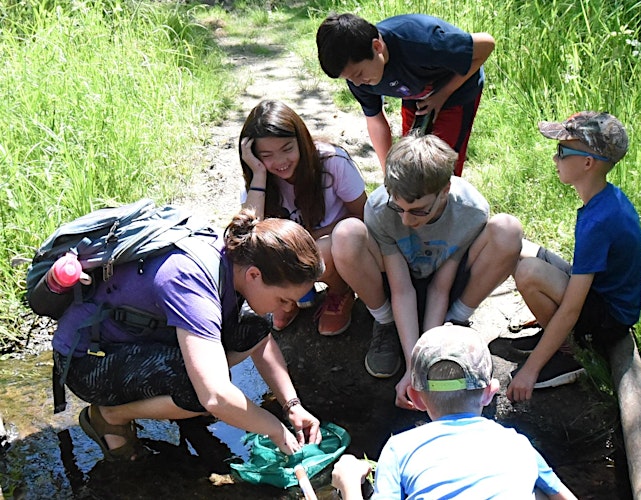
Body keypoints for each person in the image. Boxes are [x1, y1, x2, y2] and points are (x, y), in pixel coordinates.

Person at [52, 210, 326, 461]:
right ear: (254, 275)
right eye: (284, 299)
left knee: (255, 325)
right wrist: (274, 428)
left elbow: (261, 342)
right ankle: (110, 415)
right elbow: (215, 397)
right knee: (198, 392)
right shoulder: (190, 280)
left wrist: (292, 405)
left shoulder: (237, 258)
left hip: (138, 340)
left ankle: (171, 404)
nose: (289, 308)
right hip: (87, 361)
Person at [330, 134, 522, 409]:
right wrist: (414, 366)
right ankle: (386, 324)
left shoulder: (471, 210)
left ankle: (454, 322)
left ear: (445, 189)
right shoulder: (380, 208)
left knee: (508, 229)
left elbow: (440, 288)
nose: (407, 220)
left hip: (445, 283)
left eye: (418, 211)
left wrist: (427, 358)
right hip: (396, 283)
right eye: (400, 208)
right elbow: (402, 289)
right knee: (346, 234)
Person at [330, 324, 577, 500]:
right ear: (490, 392)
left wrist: (349, 482)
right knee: (538, 492)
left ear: (415, 398)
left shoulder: (399, 448)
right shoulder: (517, 442)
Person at [508, 111, 641, 401]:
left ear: (587, 163)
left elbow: (571, 308)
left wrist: (530, 371)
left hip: (609, 322)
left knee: (528, 273)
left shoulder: (598, 221)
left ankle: (571, 352)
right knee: (520, 250)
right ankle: (552, 336)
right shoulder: (606, 199)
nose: (554, 159)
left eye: (561, 151)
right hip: (602, 298)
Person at [240, 100, 368, 336]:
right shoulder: (260, 179)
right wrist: (258, 174)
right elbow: (248, 232)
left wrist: (308, 239)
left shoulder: (332, 162)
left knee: (321, 251)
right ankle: (288, 299)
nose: (279, 162)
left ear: (302, 140)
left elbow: (363, 214)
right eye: (267, 155)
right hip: (291, 252)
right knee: (253, 252)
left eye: (287, 149)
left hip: (331, 244)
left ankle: (339, 291)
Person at [316, 12, 494, 177]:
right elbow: (375, 120)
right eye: (348, 78)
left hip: (456, 88)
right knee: (411, 162)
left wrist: (443, 94)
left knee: (442, 165)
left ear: (377, 46)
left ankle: (447, 206)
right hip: (414, 91)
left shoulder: (421, 43)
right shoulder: (358, 75)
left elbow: (486, 44)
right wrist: (389, 175)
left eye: (358, 74)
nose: (356, 83)